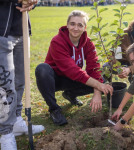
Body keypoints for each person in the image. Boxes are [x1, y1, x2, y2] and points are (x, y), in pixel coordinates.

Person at [35, 10, 113, 126]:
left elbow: (94, 68)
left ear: (85, 27)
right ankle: (54, 109)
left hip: (73, 78)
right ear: (67, 25)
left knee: (102, 79)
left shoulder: (88, 43)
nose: (75, 28)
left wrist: (97, 92)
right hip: (55, 79)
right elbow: (71, 69)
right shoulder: (57, 41)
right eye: (72, 24)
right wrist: (99, 85)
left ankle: (70, 94)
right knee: (42, 69)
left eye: (80, 25)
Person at [0, 0, 45, 149]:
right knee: (5, 86)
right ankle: (6, 132)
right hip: (2, 31)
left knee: (20, 81)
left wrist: (33, 2)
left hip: (22, 30)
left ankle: (17, 121)